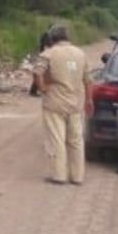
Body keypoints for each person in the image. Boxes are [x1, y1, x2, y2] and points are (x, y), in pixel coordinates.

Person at [31, 25, 92, 185]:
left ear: (52, 38)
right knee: (76, 140)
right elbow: (88, 80)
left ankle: (59, 175)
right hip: (76, 103)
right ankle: (78, 176)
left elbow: (37, 72)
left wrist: (42, 88)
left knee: (57, 139)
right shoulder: (80, 53)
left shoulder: (49, 53)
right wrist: (89, 100)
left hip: (55, 102)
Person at [28, 27, 53, 96]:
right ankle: (34, 90)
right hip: (44, 55)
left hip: (43, 54)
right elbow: (47, 45)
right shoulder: (48, 35)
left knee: (39, 73)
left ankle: (34, 90)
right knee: (40, 73)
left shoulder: (46, 35)